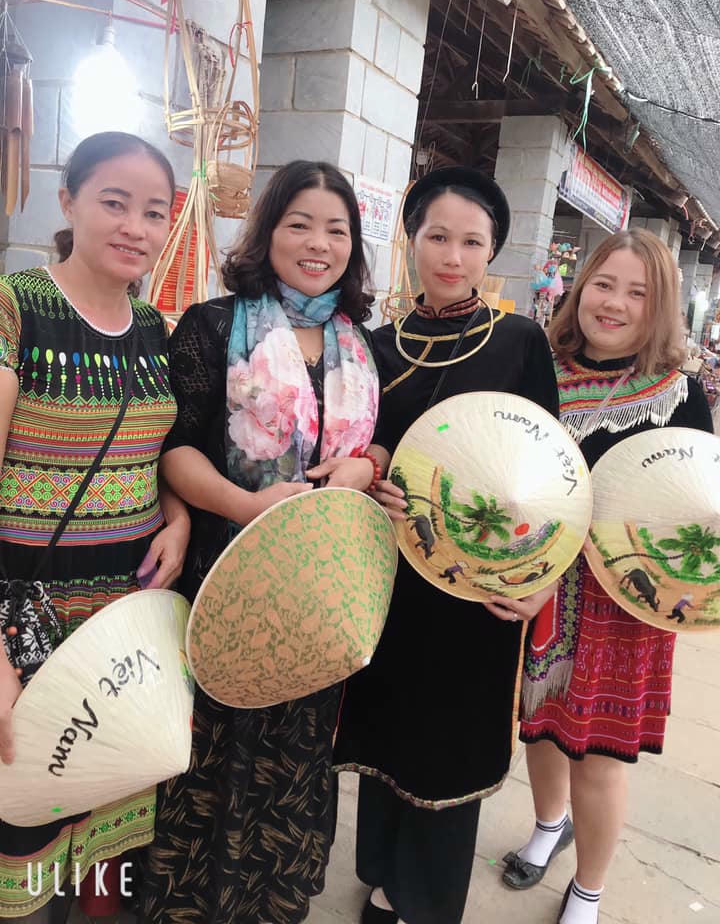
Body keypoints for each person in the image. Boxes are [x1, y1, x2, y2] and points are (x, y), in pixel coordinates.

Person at [137, 160, 381, 924]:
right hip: (224, 577)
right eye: (299, 224)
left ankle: (272, 898)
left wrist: (368, 464)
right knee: (207, 747)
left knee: (295, 750)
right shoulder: (213, 325)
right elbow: (174, 446)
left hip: (318, 599)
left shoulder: (360, 344)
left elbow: (378, 448)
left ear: (353, 245)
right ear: (268, 231)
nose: (318, 243)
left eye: (336, 229)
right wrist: (246, 506)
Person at [332, 166, 561, 924]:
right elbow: (358, 445)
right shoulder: (373, 346)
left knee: (448, 740)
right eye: (437, 237)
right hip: (387, 574)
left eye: (471, 242)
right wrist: (370, 476)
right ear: (411, 241)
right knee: (388, 728)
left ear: (491, 251)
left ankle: (423, 899)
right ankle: (381, 870)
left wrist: (541, 581)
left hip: (474, 584)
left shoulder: (520, 342)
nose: (452, 257)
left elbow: (551, 474)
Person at [0, 132, 189, 922]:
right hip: (27, 620)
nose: (135, 228)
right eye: (115, 202)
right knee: (27, 825)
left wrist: (177, 515)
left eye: (154, 212)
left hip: (123, 625)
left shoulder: (153, 329)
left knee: (110, 821)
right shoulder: (16, 306)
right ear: (68, 200)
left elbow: (152, 452)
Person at [502, 230, 713, 924]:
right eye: (603, 284)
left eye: (637, 293)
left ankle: (588, 889)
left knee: (597, 754)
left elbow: (693, 507)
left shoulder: (678, 393)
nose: (614, 303)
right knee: (539, 724)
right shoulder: (539, 368)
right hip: (540, 587)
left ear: (661, 307)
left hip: (626, 601)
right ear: (579, 287)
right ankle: (548, 824)